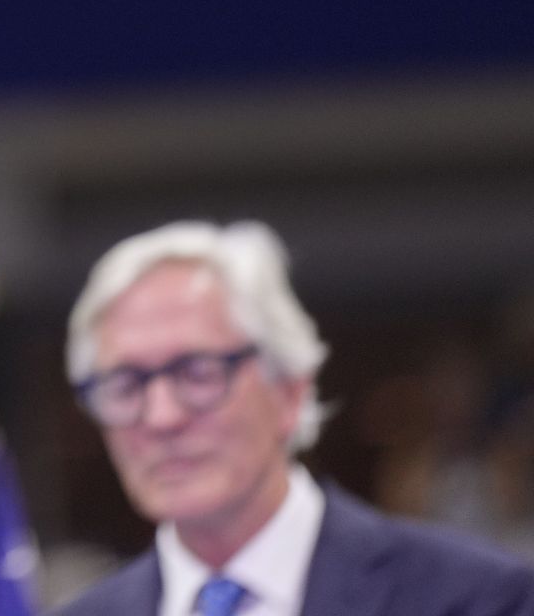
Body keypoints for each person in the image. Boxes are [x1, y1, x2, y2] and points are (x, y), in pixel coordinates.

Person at [56, 220, 534, 616]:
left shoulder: (479, 599)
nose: (161, 417)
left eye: (198, 373)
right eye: (124, 385)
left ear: (289, 390)